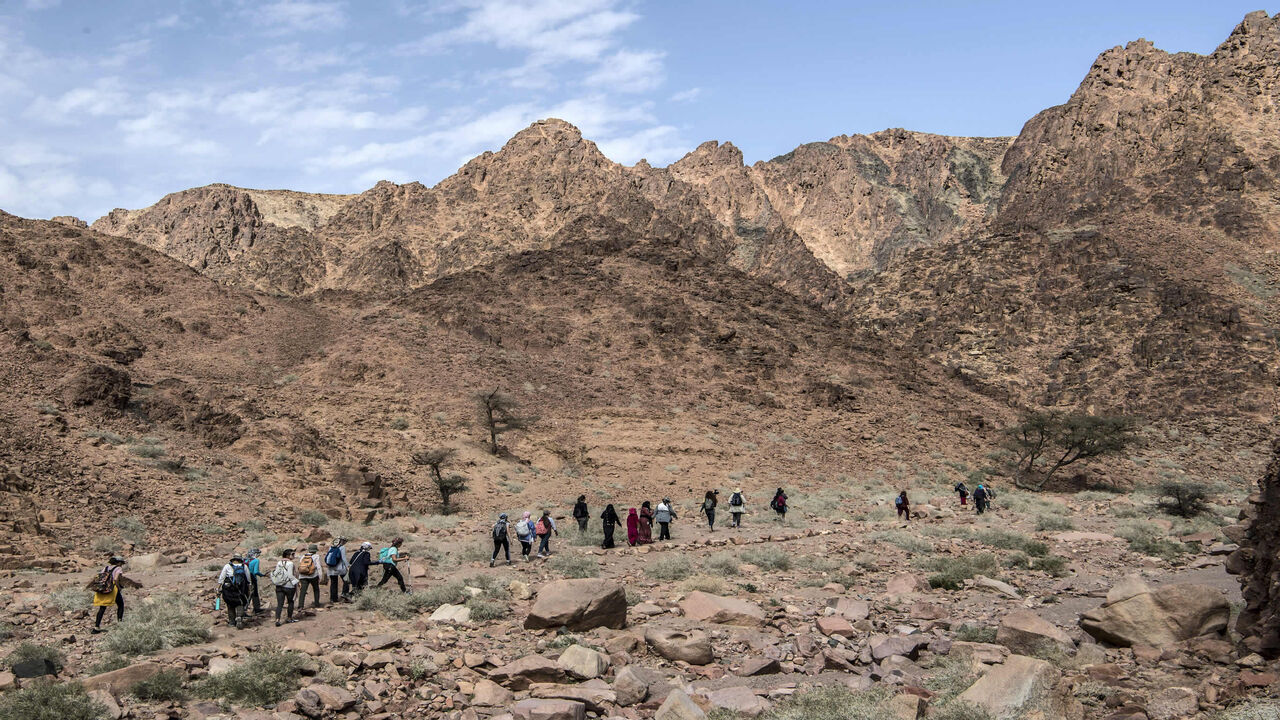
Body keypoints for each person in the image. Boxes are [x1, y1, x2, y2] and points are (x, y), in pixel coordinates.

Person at [88, 556, 139, 633]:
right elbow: (115, 579)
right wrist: (119, 588)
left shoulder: (105, 568)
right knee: (121, 605)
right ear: (118, 562)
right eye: (121, 563)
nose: (121, 565)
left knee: (102, 608)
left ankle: (96, 627)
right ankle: (120, 624)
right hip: (112, 589)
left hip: (103, 589)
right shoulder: (118, 568)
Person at [216, 554, 252, 629]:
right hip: (240, 588)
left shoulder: (227, 566)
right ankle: (239, 617)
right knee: (240, 603)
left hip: (229, 588)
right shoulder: (244, 566)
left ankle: (232, 622)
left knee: (230, 604)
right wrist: (249, 588)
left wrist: (218, 588)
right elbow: (248, 578)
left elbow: (221, 578)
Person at [269, 548, 299, 626]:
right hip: (289, 586)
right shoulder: (290, 564)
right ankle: (289, 618)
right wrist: (297, 582)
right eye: (292, 554)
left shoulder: (279, 562)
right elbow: (290, 575)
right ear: (288, 555)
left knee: (280, 604)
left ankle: (277, 619)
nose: (293, 556)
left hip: (279, 585)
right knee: (290, 602)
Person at [297, 543, 323, 611]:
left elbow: (301, 566)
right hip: (313, 575)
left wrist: (299, 577)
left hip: (303, 576)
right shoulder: (316, 556)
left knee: (303, 591)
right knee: (316, 589)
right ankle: (317, 603)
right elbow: (318, 567)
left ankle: (300, 606)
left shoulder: (303, 556)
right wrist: (320, 576)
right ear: (315, 550)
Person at [325, 538, 351, 604]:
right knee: (346, 580)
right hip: (340, 568)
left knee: (333, 583)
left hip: (331, 569)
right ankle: (344, 594)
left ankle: (333, 599)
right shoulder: (342, 547)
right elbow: (344, 558)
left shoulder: (331, 547)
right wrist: (348, 566)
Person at [246, 548, 266, 616]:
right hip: (252, 578)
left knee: (246, 593)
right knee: (254, 593)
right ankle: (257, 609)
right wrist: (262, 575)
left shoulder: (245, 560)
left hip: (244, 579)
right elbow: (256, 571)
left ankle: (243, 609)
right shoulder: (256, 560)